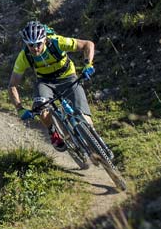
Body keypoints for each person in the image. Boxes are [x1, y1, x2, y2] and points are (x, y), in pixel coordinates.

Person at [7, 21, 96, 151]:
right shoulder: (24, 56)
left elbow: (88, 44)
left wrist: (88, 64)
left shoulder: (56, 42)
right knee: (41, 109)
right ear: (26, 44)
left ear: (45, 40)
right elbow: (12, 85)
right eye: (31, 45)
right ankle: (52, 131)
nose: (35, 48)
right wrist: (19, 108)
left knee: (84, 117)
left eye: (38, 44)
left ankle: (93, 140)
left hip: (68, 77)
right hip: (45, 82)